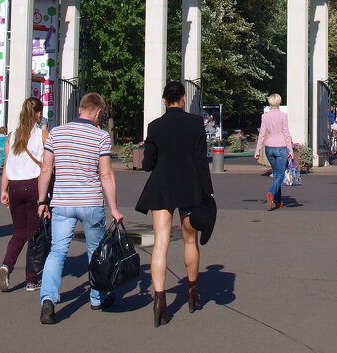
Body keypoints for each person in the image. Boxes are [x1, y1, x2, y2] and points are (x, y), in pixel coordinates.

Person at [37, 92, 124, 324]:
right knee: (95, 252)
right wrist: (114, 207)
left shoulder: (56, 133)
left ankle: (48, 298)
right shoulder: (101, 137)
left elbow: (46, 170)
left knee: (57, 251)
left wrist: (42, 201)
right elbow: (105, 174)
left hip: (62, 202)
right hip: (90, 202)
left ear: (79, 110)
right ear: (97, 112)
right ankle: (97, 297)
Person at [136, 80, 215, 327]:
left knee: (161, 243)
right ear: (182, 98)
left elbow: (148, 163)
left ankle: (159, 300)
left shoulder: (155, 126)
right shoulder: (195, 123)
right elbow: (202, 160)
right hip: (190, 186)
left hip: (162, 186)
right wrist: (207, 192)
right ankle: (193, 292)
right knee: (190, 240)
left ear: (164, 100)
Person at [0, 97, 48, 293]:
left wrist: (4, 190)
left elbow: (6, 166)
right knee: (34, 235)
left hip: (15, 186)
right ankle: (32, 278)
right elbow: (48, 165)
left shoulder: (13, 135)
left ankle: (6, 266)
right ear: (38, 114)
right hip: (34, 186)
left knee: (19, 232)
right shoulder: (42, 135)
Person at [253, 93, 293, 211]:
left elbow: (262, 134)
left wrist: (257, 150)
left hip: (269, 147)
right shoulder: (283, 116)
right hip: (281, 146)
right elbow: (286, 134)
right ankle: (271, 193)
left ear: (270, 102)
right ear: (279, 102)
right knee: (280, 174)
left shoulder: (265, 116)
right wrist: (290, 149)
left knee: (276, 173)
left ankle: (278, 201)